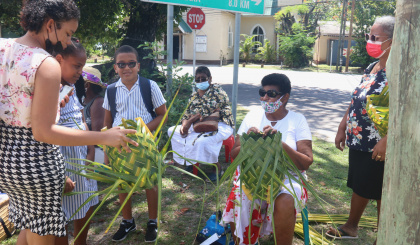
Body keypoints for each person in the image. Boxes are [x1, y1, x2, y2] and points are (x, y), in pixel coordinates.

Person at [0, 1, 137, 245]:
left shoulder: (3, 47)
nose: (66, 42)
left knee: (28, 228)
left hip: (8, 163)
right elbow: (43, 132)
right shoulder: (46, 63)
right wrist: (104, 136)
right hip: (38, 164)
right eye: (67, 34)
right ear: (50, 24)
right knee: (41, 234)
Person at [221, 73, 313, 245]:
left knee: (285, 199)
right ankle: (245, 242)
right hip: (253, 175)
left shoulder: (297, 120)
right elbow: (234, 154)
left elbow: (306, 162)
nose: (265, 98)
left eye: (271, 94)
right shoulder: (252, 116)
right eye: (262, 93)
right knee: (239, 195)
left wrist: (280, 145)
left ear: (285, 97)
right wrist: (248, 142)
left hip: (288, 176)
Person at [326, 16, 394, 244]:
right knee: (360, 183)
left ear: (392, 42)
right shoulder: (371, 67)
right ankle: (351, 226)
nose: (370, 41)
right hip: (358, 138)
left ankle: (383, 236)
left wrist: (388, 139)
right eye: (369, 36)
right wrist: (343, 125)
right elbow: (357, 99)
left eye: (375, 37)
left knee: (382, 190)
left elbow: (406, 110)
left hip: (379, 142)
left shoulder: (399, 71)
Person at [103, 45, 167, 242]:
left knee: (150, 182)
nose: (126, 68)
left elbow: (162, 115)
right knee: (122, 183)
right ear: (115, 67)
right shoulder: (111, 90)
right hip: (120, 145)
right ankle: (127, 221)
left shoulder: (150, 86)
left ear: (138, 66)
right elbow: (107, 122)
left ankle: (152, 221)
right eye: (121, 64)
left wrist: (143, 131)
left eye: (131, 63)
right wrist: (107, 151)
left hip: (145, 144)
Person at [52, 38, 99, 245]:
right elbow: (45, 135)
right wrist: (61, 176)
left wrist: (90, 152)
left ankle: (81, 242)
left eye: (82, 66)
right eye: (76, 66)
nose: (80, 71)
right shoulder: (51, 91)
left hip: (82, 163)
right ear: (59, 60)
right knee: (59, 214)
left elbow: (82, 120)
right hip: (63, 167)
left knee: (85, 204)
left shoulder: (70, 88)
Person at [168, 66, 234, 181]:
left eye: (203, 78)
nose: (200, 81)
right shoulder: (194, 96)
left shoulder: (218, 91)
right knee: (173, 131)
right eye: (197, 79)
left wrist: (189, 122)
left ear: (210, 79)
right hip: (198, 125)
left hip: (220, 124)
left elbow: (208, 109)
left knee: (203, 141)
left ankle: (217, 168)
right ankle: (191, 163)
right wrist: (184, 124)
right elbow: (186, 113)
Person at [79, 66, 108, 164]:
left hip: (95, 153)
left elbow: (97, 136)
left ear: (87, 85)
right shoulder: (83, 101)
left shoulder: (98, 102)